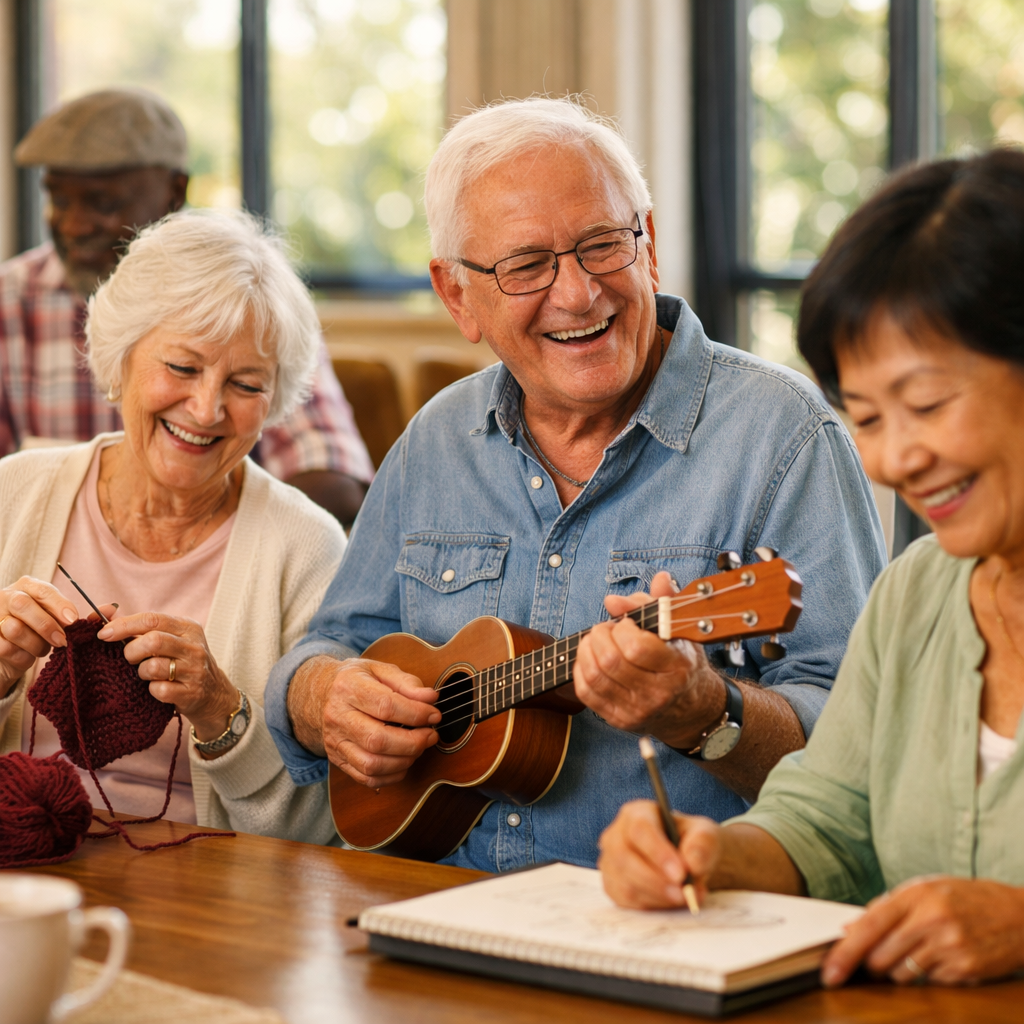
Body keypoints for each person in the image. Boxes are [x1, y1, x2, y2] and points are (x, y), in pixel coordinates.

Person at [262, 98, 887, 872]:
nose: (578, 293)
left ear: (648, 245)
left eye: (602, 245)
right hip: (429, 905)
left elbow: (858, 758)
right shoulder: (435, 441)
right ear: (457, 295)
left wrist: (708, 714)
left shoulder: (785, 438)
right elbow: (332, 643)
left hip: (671, 916)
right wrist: (320, 694)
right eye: (528, 265)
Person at [597, 149, 1024, 988]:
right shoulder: (918, 592)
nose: (894, 459)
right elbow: (828, 821)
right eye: (867, 418)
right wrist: (709, 855)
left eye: (927, 404)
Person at [0, 209, 345, 842]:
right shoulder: (12, 494)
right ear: (121, 359)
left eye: (245, 384)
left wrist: (221, 711)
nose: (207, 409)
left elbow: (317, 829)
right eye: (183, 368)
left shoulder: (307, 547)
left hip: (208, 878)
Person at [1, 87, 374, 525]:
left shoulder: (254, 302)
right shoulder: (10, 301)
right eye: (59, 200)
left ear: (174, 192)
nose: (74, 225)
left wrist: (204, 536)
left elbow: (334, 478)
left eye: (103, 203)